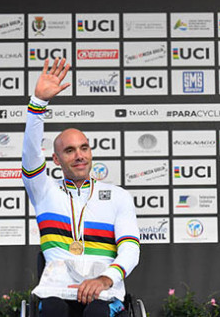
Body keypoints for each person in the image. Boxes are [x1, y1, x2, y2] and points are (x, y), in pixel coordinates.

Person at [22, 58, 140, 317]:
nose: (79, 156)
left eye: (84, 148)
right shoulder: (44, 191)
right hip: (57, 292)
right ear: (56, 159)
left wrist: (106, 279)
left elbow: (130, 248)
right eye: (69, 150)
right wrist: (38, 104)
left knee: (97, 313)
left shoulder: (118, 196)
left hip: (104, 292)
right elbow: (31, 155)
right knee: (52, 309)